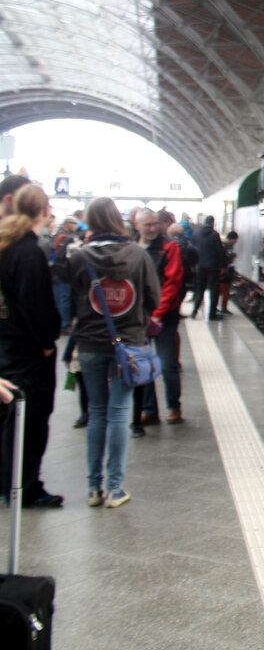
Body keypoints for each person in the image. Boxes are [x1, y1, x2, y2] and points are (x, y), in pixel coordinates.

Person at [64, 197, 160, 509]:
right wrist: (134, 316)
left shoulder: (80, 256)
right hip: (128, 343)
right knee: (119, 413)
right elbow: (154, 298)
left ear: (90, 221)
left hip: (90, 343)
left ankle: (94, 488)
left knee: (97, 412)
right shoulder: (138, 254)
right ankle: (115, 489)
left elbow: (72, 298)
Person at [0, 183, 64, 507]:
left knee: (8, 418)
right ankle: (25, 488)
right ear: (44, 210)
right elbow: (36, 305)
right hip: (29, 352)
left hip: (6, 344)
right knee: (30, 419)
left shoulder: (6, 244)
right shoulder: (29, 253)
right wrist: (47, 342)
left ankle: (7, 482)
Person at [132, 208, 185, 429]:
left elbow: (173, 282)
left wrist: (158, 314)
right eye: (148, 225)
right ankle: (149, 410)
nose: (153, 228)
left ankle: (174, 406)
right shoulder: (131, 248)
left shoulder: (169, 247)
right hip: (138, 317)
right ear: (137, 226)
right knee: (142, 364)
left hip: (164, 317)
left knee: (167, 363)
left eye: (155, 224)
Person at [191, 216, 224, 321]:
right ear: (212, 223)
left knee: (200, 289)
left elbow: (192, 249)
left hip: (199, 265)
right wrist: (223, 265)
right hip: (212, 266)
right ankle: (212, 314)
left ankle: (194, 311)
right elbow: (220, 251)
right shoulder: (214, 234)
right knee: (214, 289)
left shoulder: (195, 233)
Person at [218, 230, 239, 315]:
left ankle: (222, 308)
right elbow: (225, 259)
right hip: (225, 272)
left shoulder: (226, 245)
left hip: (226, 270)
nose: (236, 241)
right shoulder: (225, 246)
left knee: (223, 291)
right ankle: (223, 308)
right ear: (232, 239)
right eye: (236, 239)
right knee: (224, 291)